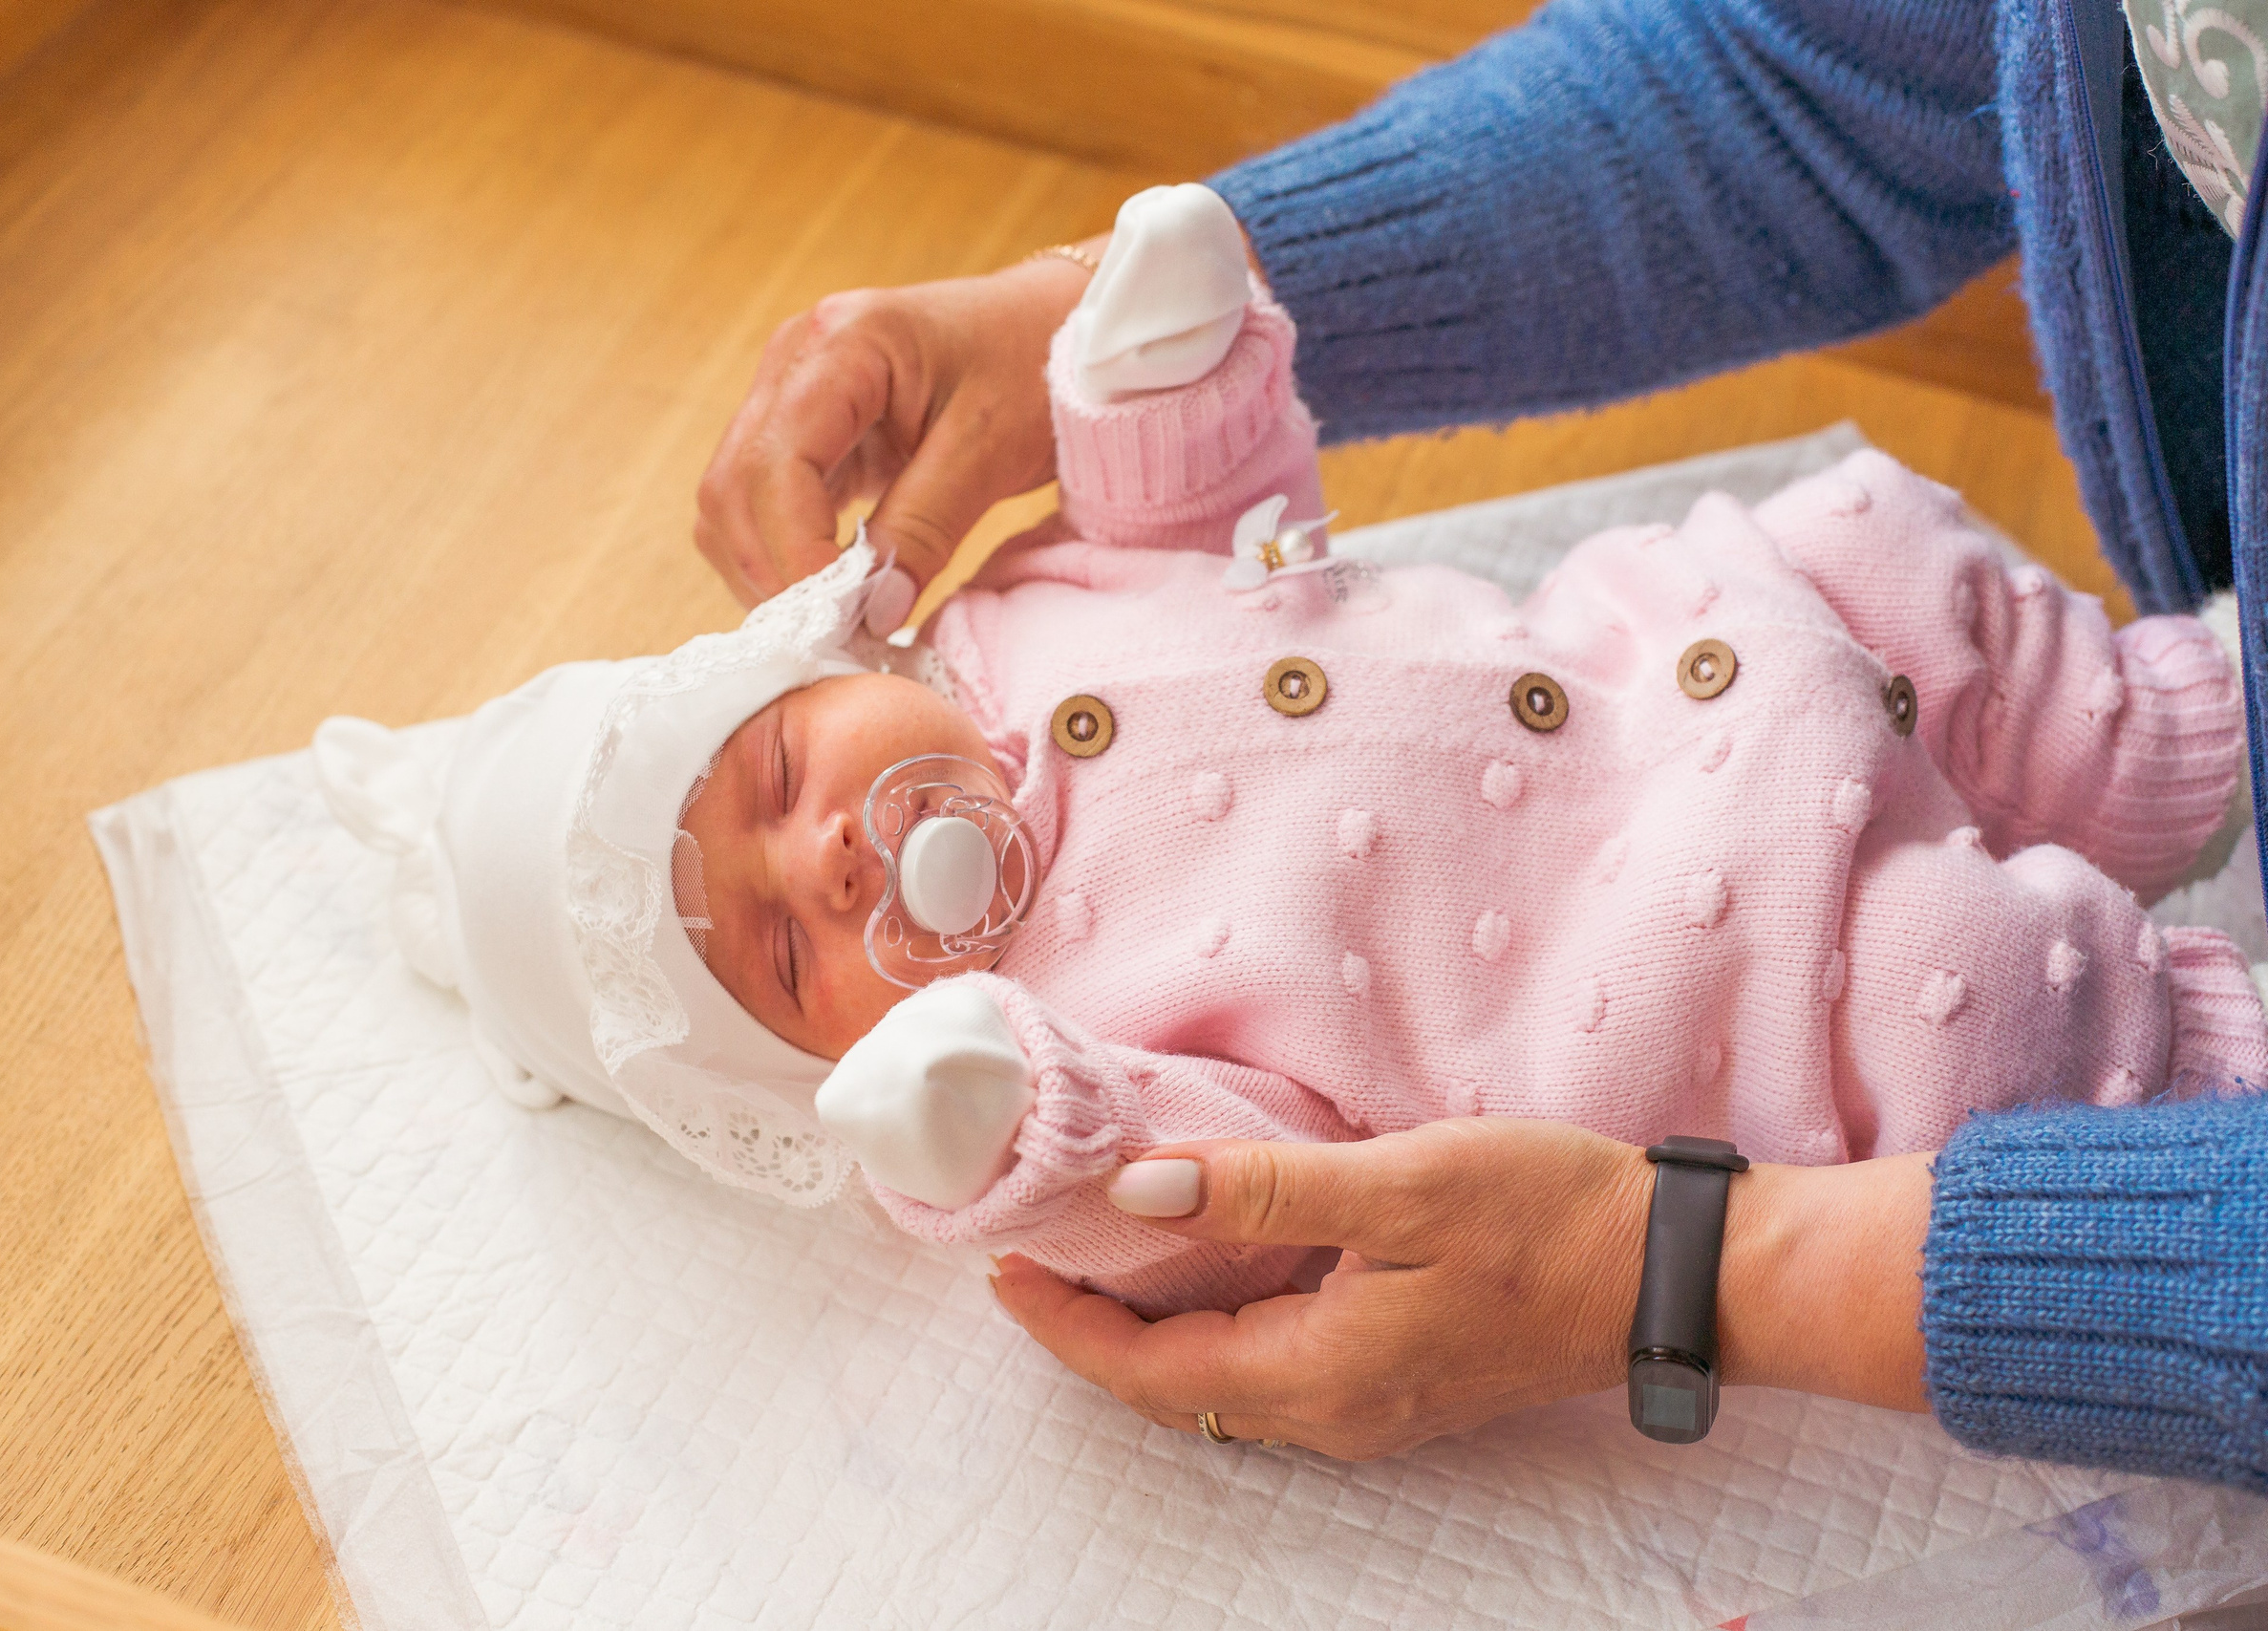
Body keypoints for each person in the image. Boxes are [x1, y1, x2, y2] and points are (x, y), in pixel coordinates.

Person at [692, 0, 2268, 1490]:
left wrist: (1158, 390)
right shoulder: (1055, 1036)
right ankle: (2199, 1058)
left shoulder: (1018, 622)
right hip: (1721, 958)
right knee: (1969, 995)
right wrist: (1014, 1139)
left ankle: (2175, 729)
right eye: (781, 956)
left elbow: (1213, 537)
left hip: (1707, 640)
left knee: (1883, 551)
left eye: (775, 778)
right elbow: (1229, 1199)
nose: (820, 856)